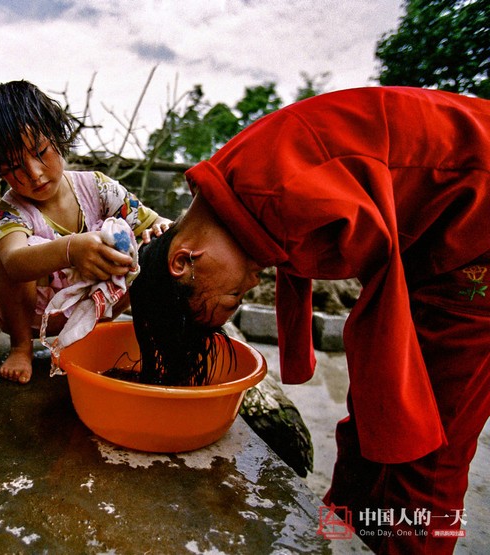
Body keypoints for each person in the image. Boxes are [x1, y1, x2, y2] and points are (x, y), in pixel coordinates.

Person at [129, 86, 490, 554]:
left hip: (476, 221)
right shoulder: (236, 194)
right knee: (372, 410)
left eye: (221, 307)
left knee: (428, 442)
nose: (234, 304)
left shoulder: (275, 194)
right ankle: (339, 542)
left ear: (183, 260)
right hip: (436, 228)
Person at [0, 80, 171, 384]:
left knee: (144, 251)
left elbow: (149, 221)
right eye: (14, 168)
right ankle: (21, 348)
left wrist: (159, 230)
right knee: (6, 263)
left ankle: (95, 336)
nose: (34, 174)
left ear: (58, 136)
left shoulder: (98, 188)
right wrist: (70, 250)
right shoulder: (10, 211)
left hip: (93, 308)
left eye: (40, 152)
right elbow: (12, 261)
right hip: (33, 315)